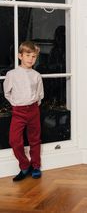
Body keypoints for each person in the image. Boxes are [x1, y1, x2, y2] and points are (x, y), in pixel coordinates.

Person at [3, 41, 44, 181]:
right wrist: (15, 104)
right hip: (18, 111)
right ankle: (25, 165)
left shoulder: (36, 75)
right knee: (14, 140)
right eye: (27, 55)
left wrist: (34, 105)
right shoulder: (11, 74)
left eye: (34, 56)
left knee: (34, 139)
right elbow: (7, 93)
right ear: (20, 56)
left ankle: (36, 166)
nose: (30, 59)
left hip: (33, 110)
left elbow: (40, 95)